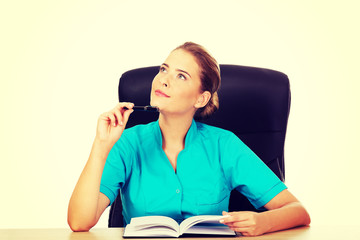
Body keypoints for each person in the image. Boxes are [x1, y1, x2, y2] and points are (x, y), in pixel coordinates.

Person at [67, 42, 310, 236]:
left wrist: (263, 221)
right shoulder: (128, 143)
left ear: (201, 99)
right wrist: (101, 145)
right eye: (164, 69)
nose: (163, 79)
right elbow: (79, 222)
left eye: (181, 76)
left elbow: (298, 211)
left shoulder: (224, 145)